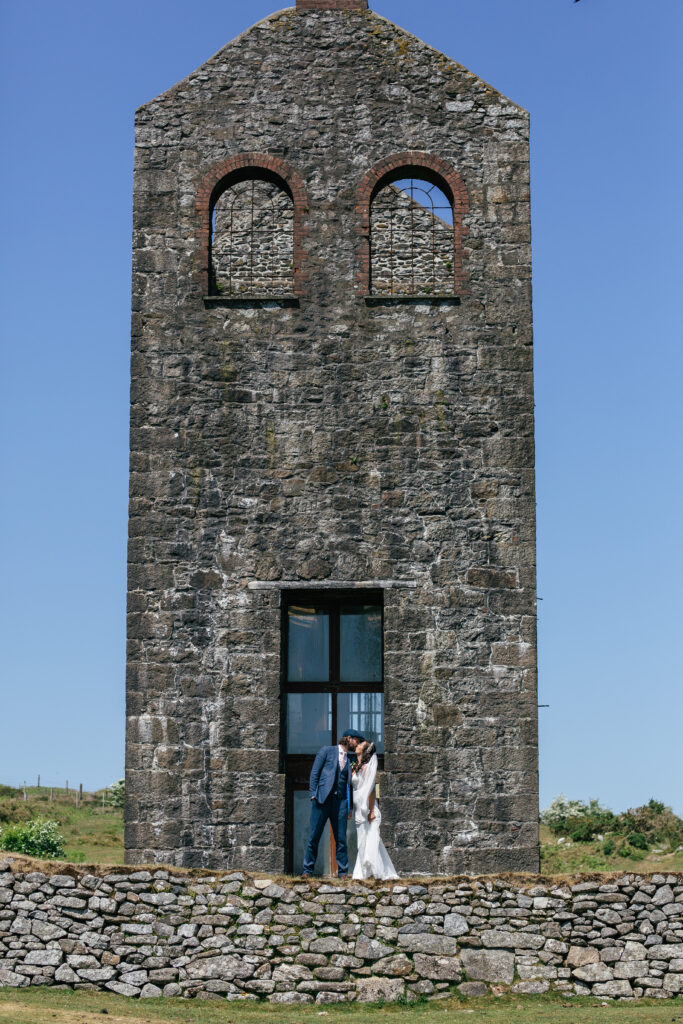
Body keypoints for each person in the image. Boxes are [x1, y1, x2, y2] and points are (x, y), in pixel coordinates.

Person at [302, 730, 364, 878]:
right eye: (357, 740)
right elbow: (315, 773)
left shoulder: (351, 759)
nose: (358, 744)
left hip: (340, 802)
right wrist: (313, 795)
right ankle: (307, 870)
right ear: (349, 739)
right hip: (322, 800)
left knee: (341, 839)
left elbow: (349, 785)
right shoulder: (327, 751)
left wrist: (348, 806)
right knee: (314, 837)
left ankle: (343, 872)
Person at [350, 740, 399, 880]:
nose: (357, 745)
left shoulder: (366, 768)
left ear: (365, 751)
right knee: (363, 840)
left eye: (360, 745)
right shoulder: (357, 767)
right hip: (359, 809)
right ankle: (367, 871)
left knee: (368, 841)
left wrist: (371, 810)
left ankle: (369, 872)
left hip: (367, 809)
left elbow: (371, 790)